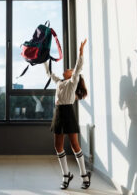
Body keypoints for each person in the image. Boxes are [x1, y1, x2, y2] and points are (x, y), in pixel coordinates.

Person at [43, 39, 91, 190]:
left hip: (68, 112)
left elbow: (78, 67)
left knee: (75, 145)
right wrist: (44, 58)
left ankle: (84, 175)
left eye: (69, 69)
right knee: (58, 146)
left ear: (72, 74)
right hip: (58, 113)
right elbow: (49, 73)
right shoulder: (59, 82)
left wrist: (81, 51)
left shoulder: (73, 82)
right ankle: (66, 175)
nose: (67, 69)